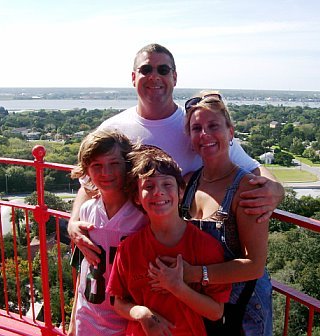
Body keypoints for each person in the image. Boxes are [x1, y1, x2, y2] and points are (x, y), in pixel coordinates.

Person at [68, 43, 284, 267]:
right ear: (133, 77)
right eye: (146, 70)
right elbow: (90, 184)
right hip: (125, 251)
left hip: (178, 256)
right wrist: (74, 221)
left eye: (163, 70)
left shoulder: (197, 126)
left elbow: (251, 166)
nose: (154, 77)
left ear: (175, 77)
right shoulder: (113, 128)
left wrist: (276, 189)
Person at [151, 91, 271, 335]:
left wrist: (192, 274)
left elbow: (254, 265)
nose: (204, 135)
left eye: (213, 125)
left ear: (230, 132)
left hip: (242, 308)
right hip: (201, 304)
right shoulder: (188, 183)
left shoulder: (247, 188)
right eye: (196, 129)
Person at [107, 145, 231, 335]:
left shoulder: (205, 246)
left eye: (167, 184)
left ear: (181, 192)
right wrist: (142, 314)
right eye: (149, 186)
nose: (158, 192)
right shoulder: (129, 248)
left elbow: (216, 312)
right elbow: (118, 300)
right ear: (137, 197)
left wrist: (177, 287)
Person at [68, 129, 149, 335]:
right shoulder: (86, 212)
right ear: (86, 170)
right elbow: (83, 272)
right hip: (87, 319)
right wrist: (72, 323)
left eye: (114, 164)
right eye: (97, 166)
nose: (106, 173)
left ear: (128, 165)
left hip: (126, 324)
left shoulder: (143, 216)